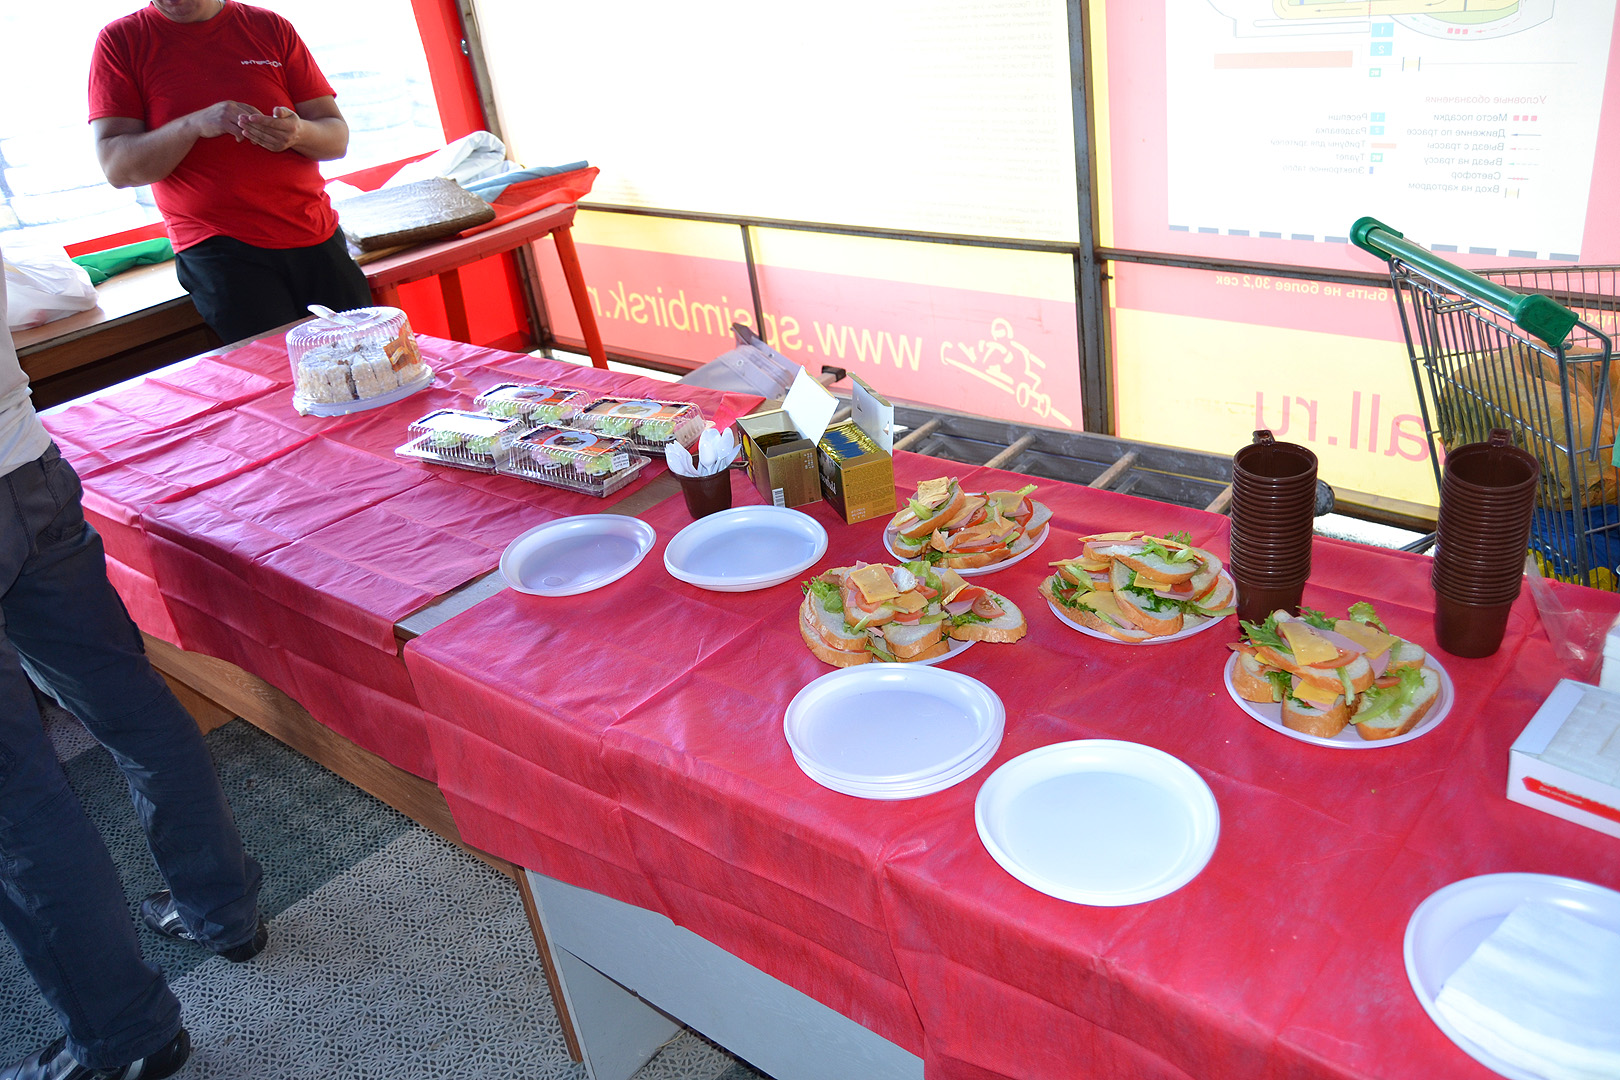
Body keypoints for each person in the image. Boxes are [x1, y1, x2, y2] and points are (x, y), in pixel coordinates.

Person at [0, 246, 265, 1080]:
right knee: (131, 708)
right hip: (24, 469)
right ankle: (221, 910)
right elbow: (44, 287)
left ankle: (124, 1038)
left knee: (18, 803)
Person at [88, 0, 373, 345]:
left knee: (368, 360)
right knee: (277, 370)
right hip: (218, 247)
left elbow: (336, 140)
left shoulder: (269, 27)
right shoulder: (122, 40)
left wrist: (298, 133)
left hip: (314, 231)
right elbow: (118, 169)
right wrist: (194, 125)